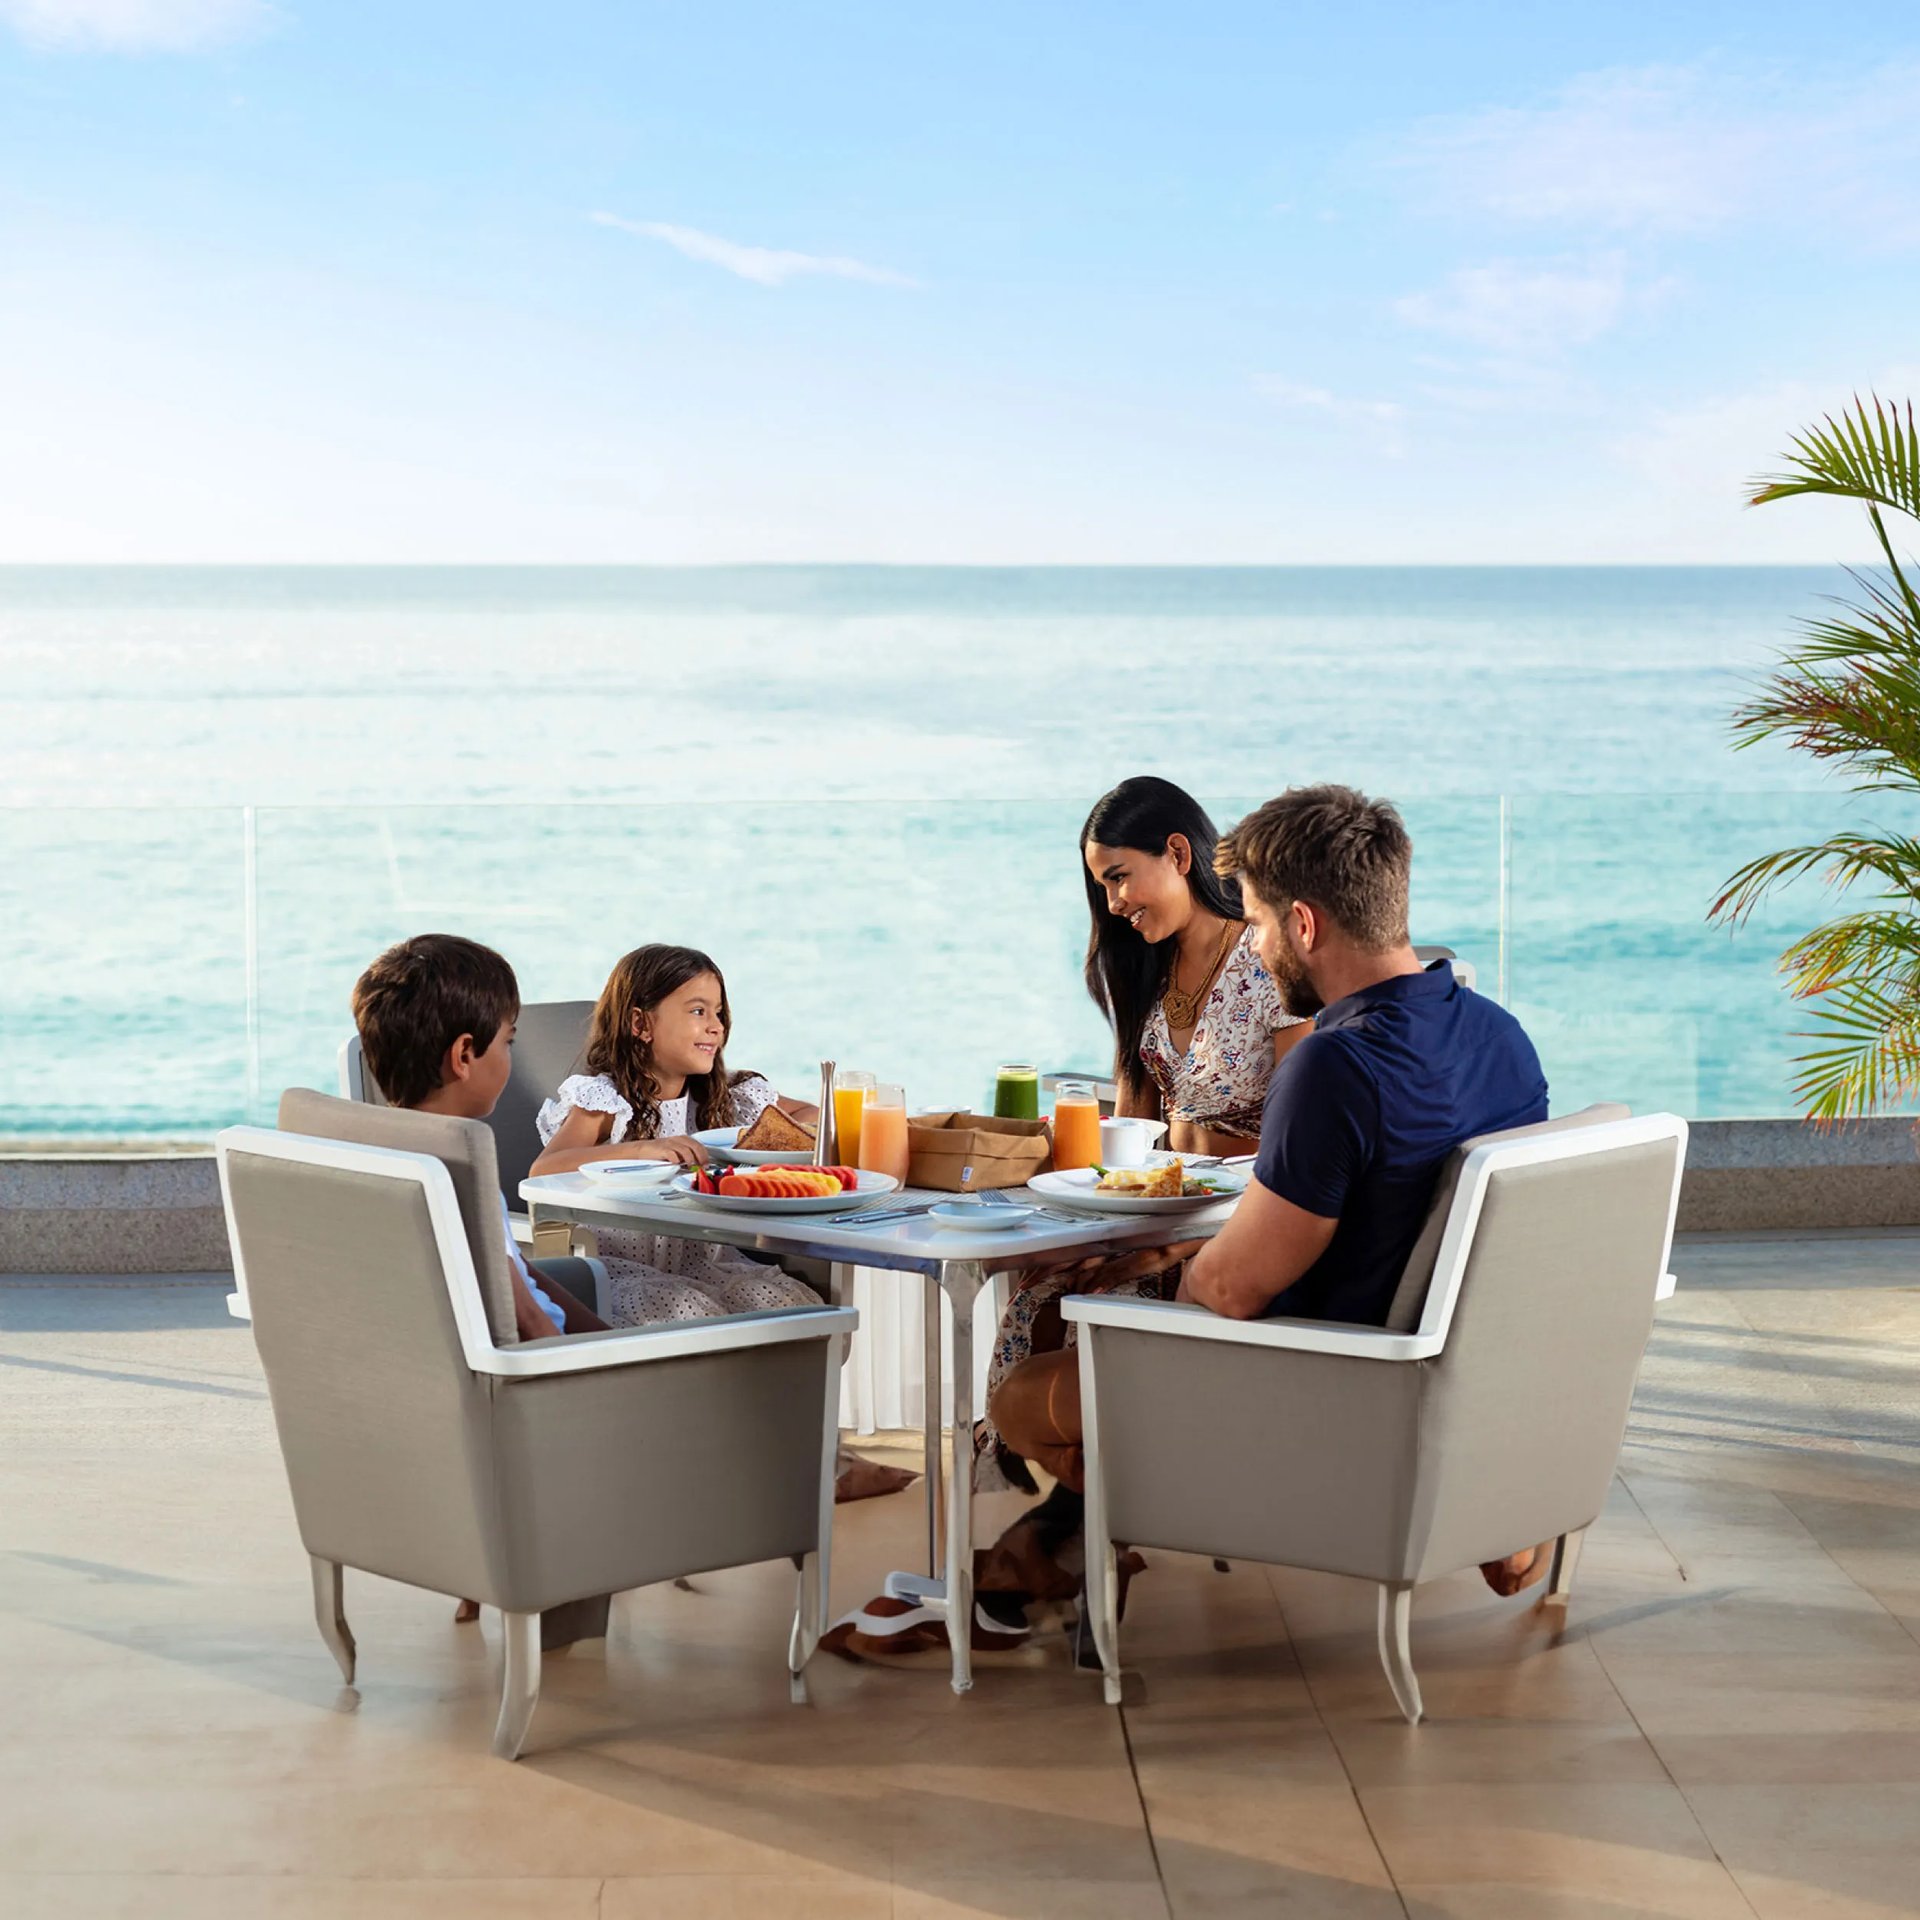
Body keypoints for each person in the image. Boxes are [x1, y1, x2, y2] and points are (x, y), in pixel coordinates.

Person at [988, 784, 1556, 1603]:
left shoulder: (1335, 1064)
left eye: (1253, 923)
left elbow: (1230, 1288)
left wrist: (1152, 1299)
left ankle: (1143, 1514)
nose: (1251, 948)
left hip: (1320, 1387)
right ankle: (1087, 1535)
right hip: (1454, 1374)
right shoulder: (1498, 1032)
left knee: (1020, 1396)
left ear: (1304, 924)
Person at [973, 777, 1309, 1493]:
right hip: (1159, 1210)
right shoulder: (1144, 970)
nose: (1114, 903)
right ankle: (1099, 1522)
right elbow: (1132, 1124)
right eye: (1102, 888)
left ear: (1179, 853)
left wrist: (1161, 1242)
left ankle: (1103, 1522)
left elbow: (1298, 1137)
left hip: (1236, 1222)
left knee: (1102, 1309)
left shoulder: (1268, 960)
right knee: (1041, 1293)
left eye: (1120, 878)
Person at [529, 942, 915, 1503]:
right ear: (641, 1022)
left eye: (718, 1012)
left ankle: (807, 1459)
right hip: (615, 1269)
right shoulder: (603, 1099)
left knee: (791, 1305)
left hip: (709, 1259)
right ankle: (731, 1470)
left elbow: (805, 1115)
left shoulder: (727, 1099)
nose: (714, 1027)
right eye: (696, 1011)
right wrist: (644, 1150)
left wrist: (817, 1127)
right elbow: (547, 1167)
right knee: (698, 1315)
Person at [352, 932, 612, 1623]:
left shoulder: (381, 1149)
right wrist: (603, 1367)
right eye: (509, 1043)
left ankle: (483, 1566)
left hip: (451, 1403)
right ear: (465, 1056)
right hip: (532, 1396)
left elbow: (509, 1271)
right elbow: (522, 1318)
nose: (510, 1056)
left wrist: (592, 1326)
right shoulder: (462, 1170)